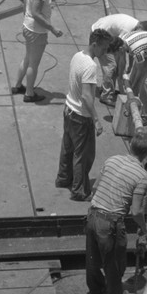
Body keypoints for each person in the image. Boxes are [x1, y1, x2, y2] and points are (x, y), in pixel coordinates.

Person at [85, 131, 147, 294]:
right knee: (113, 268)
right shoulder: (141, 176)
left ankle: (95, 291)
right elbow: (136, 211)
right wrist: (143, 229)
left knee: (92, 260)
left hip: (92, 216)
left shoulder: (112, 160)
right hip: (110, 225)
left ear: (130, 146)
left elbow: (94, 188)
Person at [55, 28, 112, 201]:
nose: (105, 52)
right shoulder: (91, 66)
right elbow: (87, 96)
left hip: (68, 109)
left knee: (67, 148)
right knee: (83, 155)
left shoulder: (77, 56)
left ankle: (64, 179)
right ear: (95, 45)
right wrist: (96, 120)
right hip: (81, 116)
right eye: (103, 48)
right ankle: (79, 191)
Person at [11, 0, 66, 102]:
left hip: (28, 27)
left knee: (28, 58)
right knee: (33, 64)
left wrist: (26, 17)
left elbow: (25, 3)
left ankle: (17, 86)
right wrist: (52, 28)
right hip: (36, 32)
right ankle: (29, 94)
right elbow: (36, 13)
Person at [91, 14, 147, 107]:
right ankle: (106, 96)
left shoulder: (135, 26)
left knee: (114, 66)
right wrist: (121, 76)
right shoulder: (127, 29)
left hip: (104, 32)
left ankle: (107, 88)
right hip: (99, 37)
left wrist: (130, 66)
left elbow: (130, 47)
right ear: (140, 26)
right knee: (111, 66)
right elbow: (121, 52)